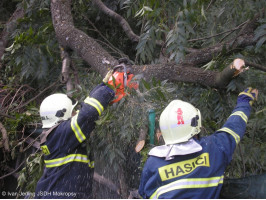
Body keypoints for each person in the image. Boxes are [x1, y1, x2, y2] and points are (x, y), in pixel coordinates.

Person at [138, 86, 258, 199]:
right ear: (196, 125)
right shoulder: (214, 149)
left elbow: (144, 194)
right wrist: (244, 102)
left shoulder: (153, 163)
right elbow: (233, 128)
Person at [35, 70, 117, 199]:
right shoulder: (60, 133)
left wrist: (104, 85)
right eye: (73, 111)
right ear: (61, 113)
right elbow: (87, 114)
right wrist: (111, 88)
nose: (76, 113)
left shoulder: (55, 136)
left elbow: (85, 111)